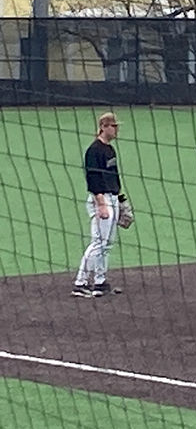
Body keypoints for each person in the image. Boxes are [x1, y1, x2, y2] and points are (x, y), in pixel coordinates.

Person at [72, 112, 124, 297]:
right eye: (113, 126)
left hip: (112, 198)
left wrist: (120, 198)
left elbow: (113, 177)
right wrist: (101, 203)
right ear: (103, 126)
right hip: (100, 199)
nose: (116, 129)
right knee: (98, 242)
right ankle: (80, 282)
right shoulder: (94, 150)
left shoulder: (110, 150)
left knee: (107, 243)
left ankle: (100, 281)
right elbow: (93, 179)